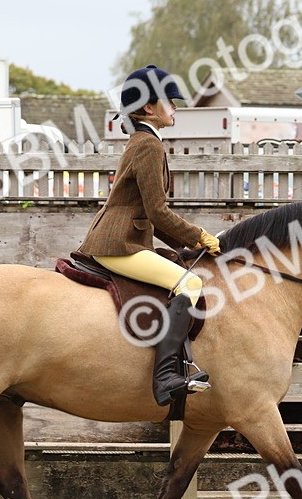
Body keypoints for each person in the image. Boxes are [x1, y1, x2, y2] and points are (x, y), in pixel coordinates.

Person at [73, 65, 222, 406]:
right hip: (118, 243)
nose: (175, 107)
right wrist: (198, 236)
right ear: (148, 108)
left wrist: (190, 244)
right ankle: (166, 377)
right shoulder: (148, 146)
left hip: (125, 238)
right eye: (170, 101)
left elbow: (151, 214)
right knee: (191, 284)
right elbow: (157, 211)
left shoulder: (144, 141)